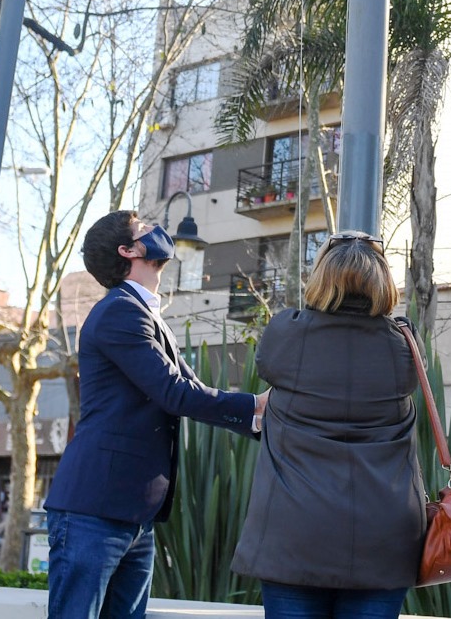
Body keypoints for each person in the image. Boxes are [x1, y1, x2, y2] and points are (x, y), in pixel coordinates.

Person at [46, 211, 266, 619]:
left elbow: (192, 390)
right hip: (95, 509)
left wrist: (257, 414)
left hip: (132, 514)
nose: (157, 229)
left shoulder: (143, 312)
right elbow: (174, 393)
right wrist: (252, 407)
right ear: (129, 251)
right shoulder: (119, 311)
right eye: (145, 228)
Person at [232, 231, 426, 619]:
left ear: (321, 278)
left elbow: (269, 368)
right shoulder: (404, 343)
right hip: (383, 541)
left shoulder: (285, 334)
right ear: (382, 282)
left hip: (294, 537)